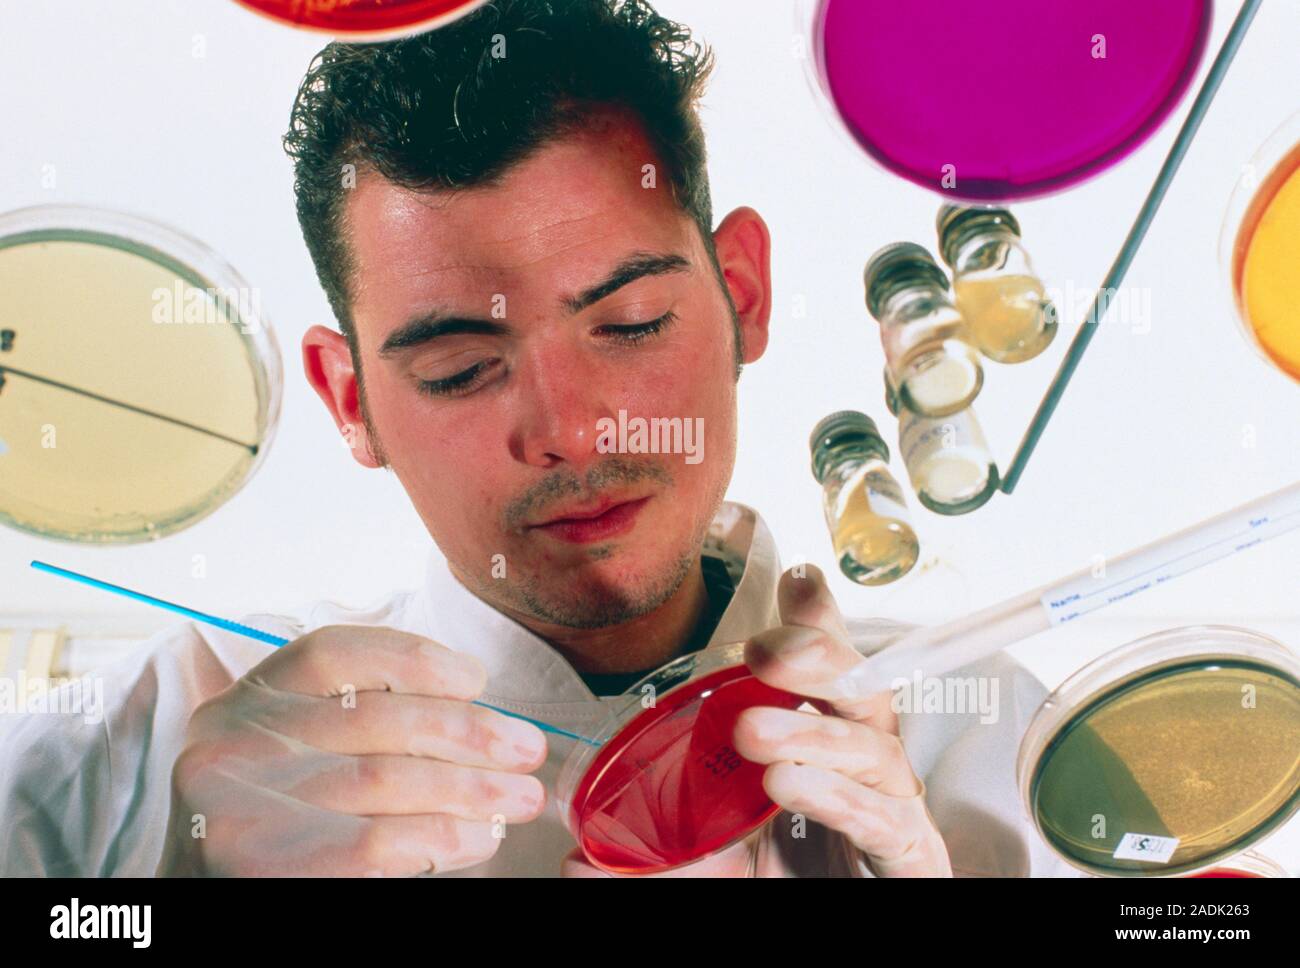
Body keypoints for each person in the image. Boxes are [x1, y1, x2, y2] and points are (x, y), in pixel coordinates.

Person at [0, 0, 1075, 877]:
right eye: (459, 369)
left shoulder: (983, 729)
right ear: (348, 398)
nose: (570, 429)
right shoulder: (155, 732)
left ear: (741, 292)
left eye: (631, 322)